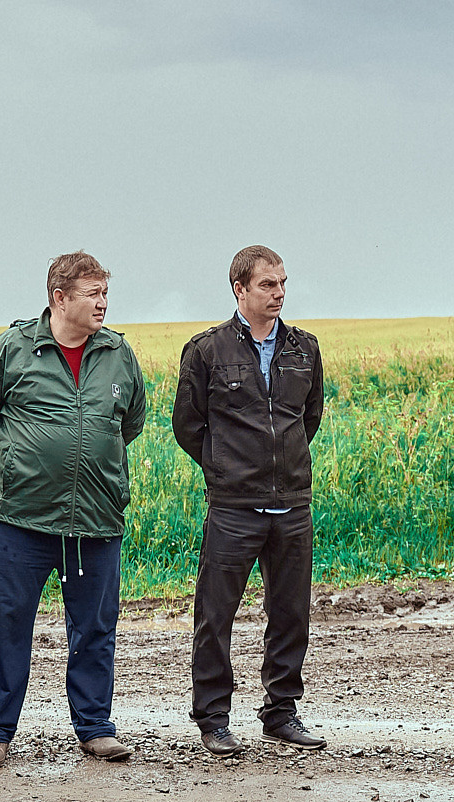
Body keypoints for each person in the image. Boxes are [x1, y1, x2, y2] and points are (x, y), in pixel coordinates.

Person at [0, 251, 150, 769]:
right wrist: (23, 463)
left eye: (106, 293)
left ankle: (95, 727)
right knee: (8, 622)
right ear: (59, 298)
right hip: (21, 519)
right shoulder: (13, 350)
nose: (103, 304)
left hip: (96, 517)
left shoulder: (117, 355)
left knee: (95, 625)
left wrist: (85, 461)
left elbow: (129, 421)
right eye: (93, 294)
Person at [171, 245, 328, 757]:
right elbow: (188, 426)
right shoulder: (206, 351)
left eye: (283, 283)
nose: (279, 293)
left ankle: (281, 713)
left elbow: (309, 418)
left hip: (292, 506)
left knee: (291, 614)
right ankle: (213, 718)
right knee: (215, 616)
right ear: (239, 289)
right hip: (234, 507)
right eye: (267, 285)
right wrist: (225, 469)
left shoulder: (304, 348)